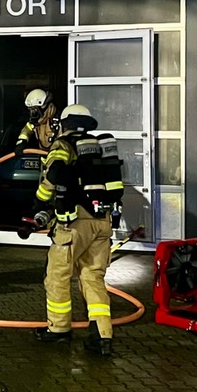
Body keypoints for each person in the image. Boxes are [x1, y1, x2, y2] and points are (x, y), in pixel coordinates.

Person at [31, 103, 115, 356]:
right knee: (93, 277)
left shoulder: (63, 145)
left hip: (74, 223)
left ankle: (58, 330)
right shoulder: (99, 147)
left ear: (64, 124)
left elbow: (53, 173)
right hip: (103, 221)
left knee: (57, 276)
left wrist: (40, 200)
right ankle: (102, 336)